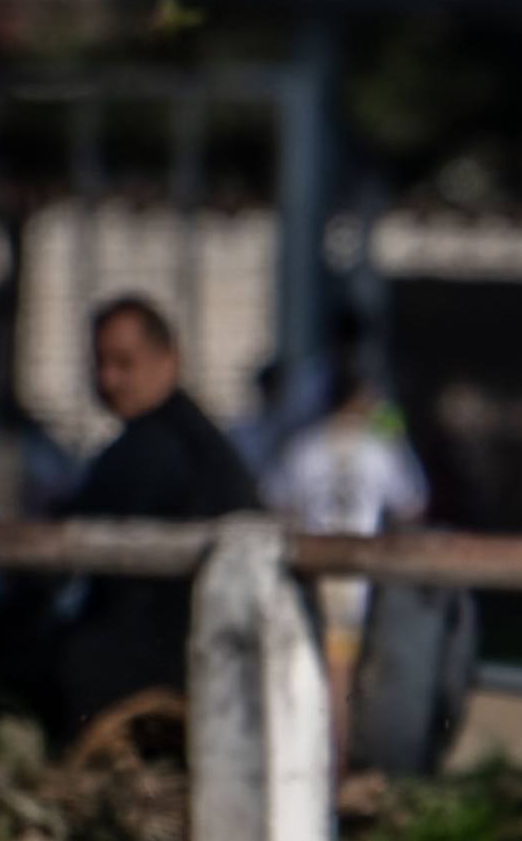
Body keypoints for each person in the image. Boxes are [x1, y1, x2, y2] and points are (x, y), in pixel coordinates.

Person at [46, 295, 261, 738]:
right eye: (101, 363)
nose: (109, 379)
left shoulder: (152, 450)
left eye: (125, 363)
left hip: (152, 683)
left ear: (170, 360)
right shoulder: (187, 439)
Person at [262, 364, 430, 767]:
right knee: (341, 682)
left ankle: (323, 764)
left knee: (322, 675)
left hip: (315, 575)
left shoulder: (304, 447)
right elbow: (413, 504)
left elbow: (275, 503)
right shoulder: (381, 448)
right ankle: (335, 769)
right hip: (361, 576)